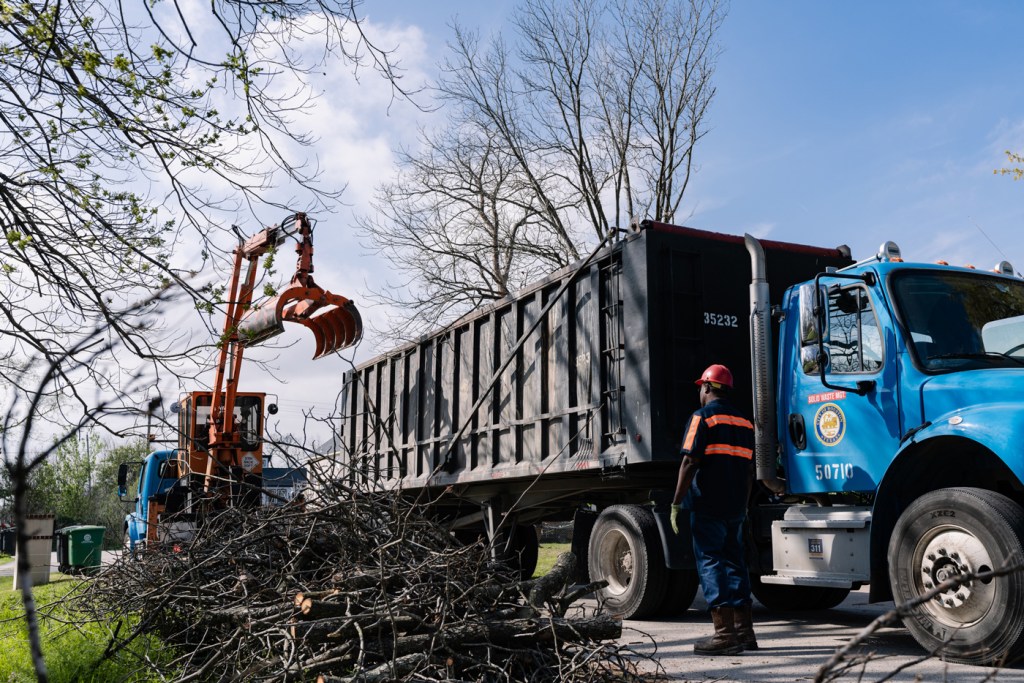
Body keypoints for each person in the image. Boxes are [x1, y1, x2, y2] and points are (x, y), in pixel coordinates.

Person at [670, 363, 757, 655]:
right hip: (735, 508)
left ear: (706, 387)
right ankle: (745, 633)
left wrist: (676, 502)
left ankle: (723, 636)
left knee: (710, 561)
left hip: (708, 505)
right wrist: (743, 507)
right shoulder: (745, 423)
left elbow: (689, 461)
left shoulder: (702, 418)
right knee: (735, 563)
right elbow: (748, 472)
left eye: (700, 388)